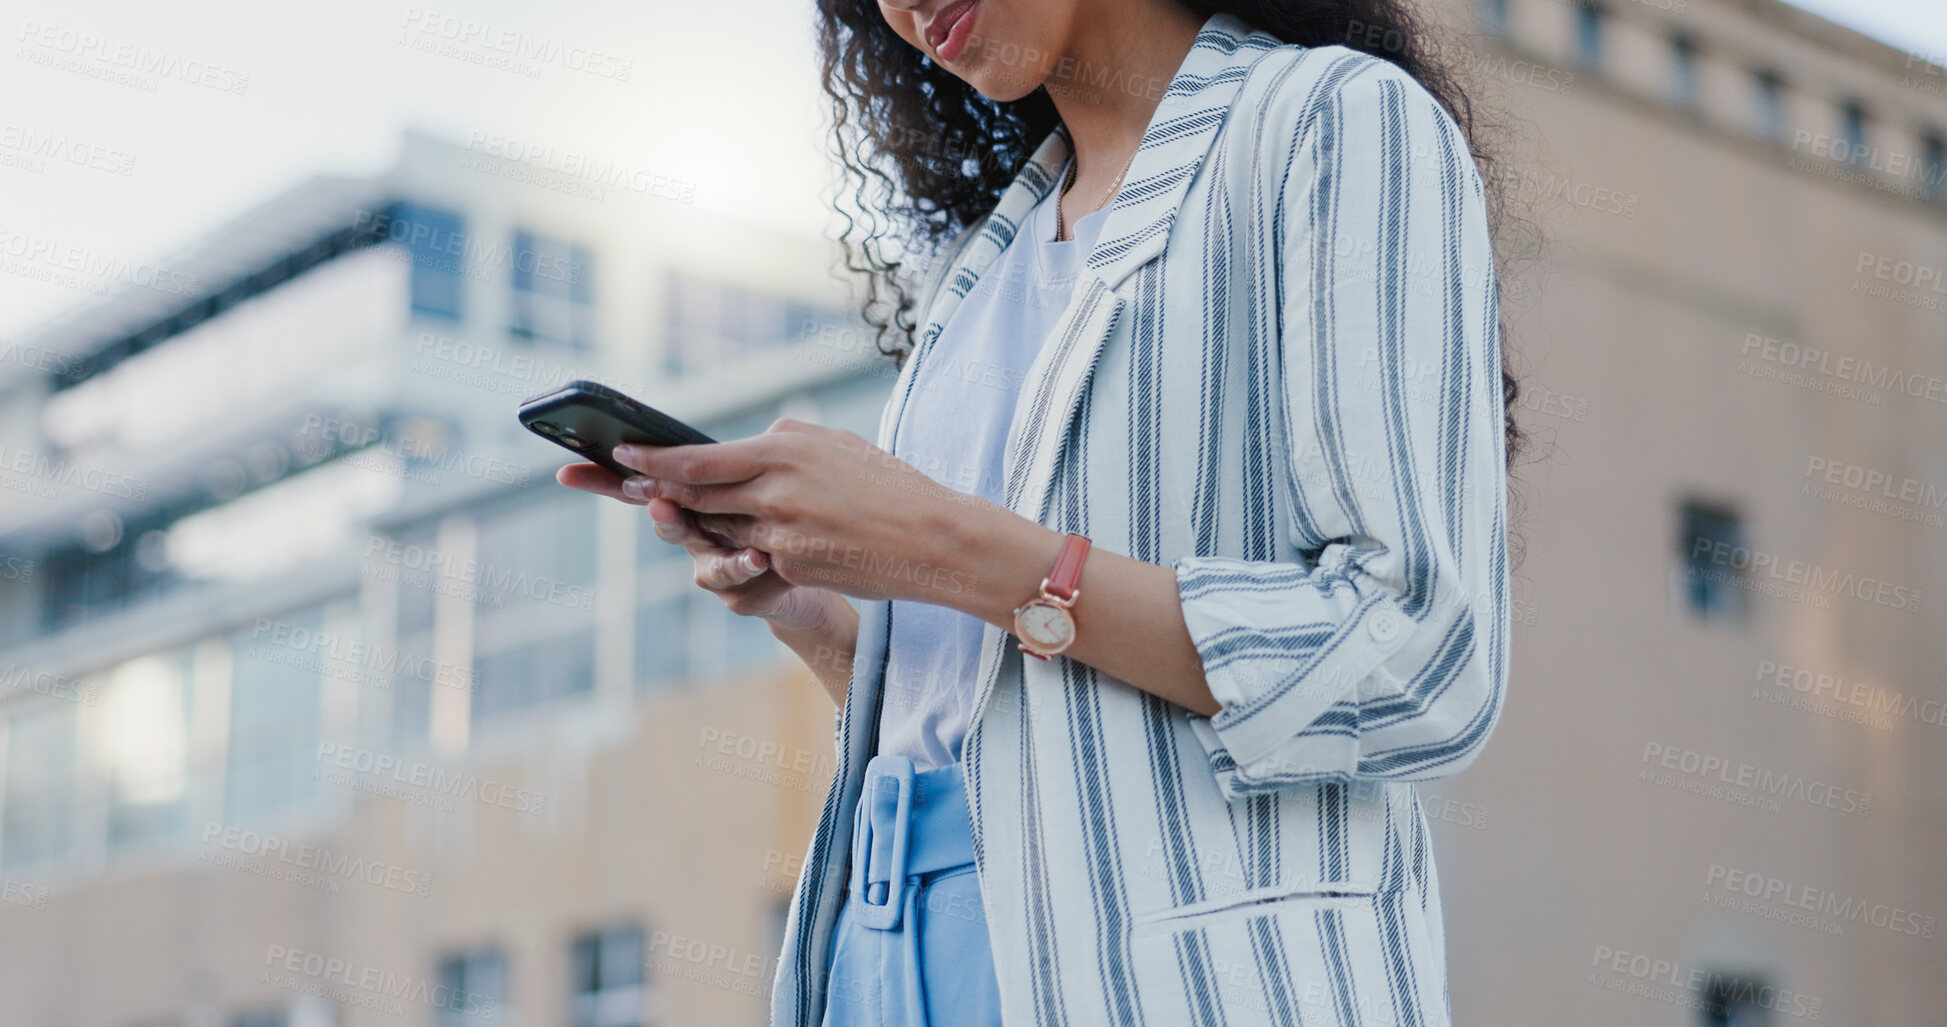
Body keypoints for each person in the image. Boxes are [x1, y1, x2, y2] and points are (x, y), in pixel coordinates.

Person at [559, 1, 1516, 1023]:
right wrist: (827, 619)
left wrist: (934, 542)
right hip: (885, 951)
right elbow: (1007, 702)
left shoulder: (1334, 124)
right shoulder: (984, 273)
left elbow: (1422, 657)